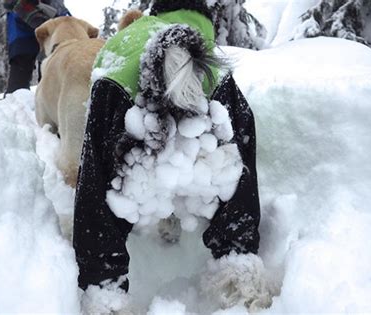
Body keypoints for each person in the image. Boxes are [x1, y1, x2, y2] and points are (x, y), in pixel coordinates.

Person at [73, 1, 273, 313]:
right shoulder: (213, 61)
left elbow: (95, 169)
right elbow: (241, 138)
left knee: (99, 178)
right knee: (235, 150)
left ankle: (105, 295)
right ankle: (240, 275)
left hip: (124, 102)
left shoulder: (127, 38)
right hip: (206, 110)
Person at [3, 0, 70, 94]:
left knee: (48, 83)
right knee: (19, 88)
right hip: (25, 36)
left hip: (46, 36)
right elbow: (15, 5)